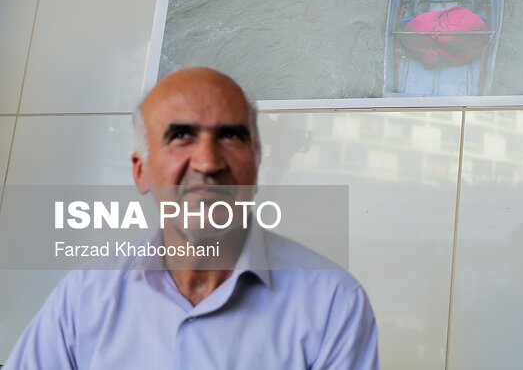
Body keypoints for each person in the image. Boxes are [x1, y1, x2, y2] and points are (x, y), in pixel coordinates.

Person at [6, 67, 379, 370]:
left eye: (231, 136)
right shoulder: (83, 298)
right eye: (181, 136)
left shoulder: (334, 304)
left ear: (257, 161)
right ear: (141, 172)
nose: (207, 163)